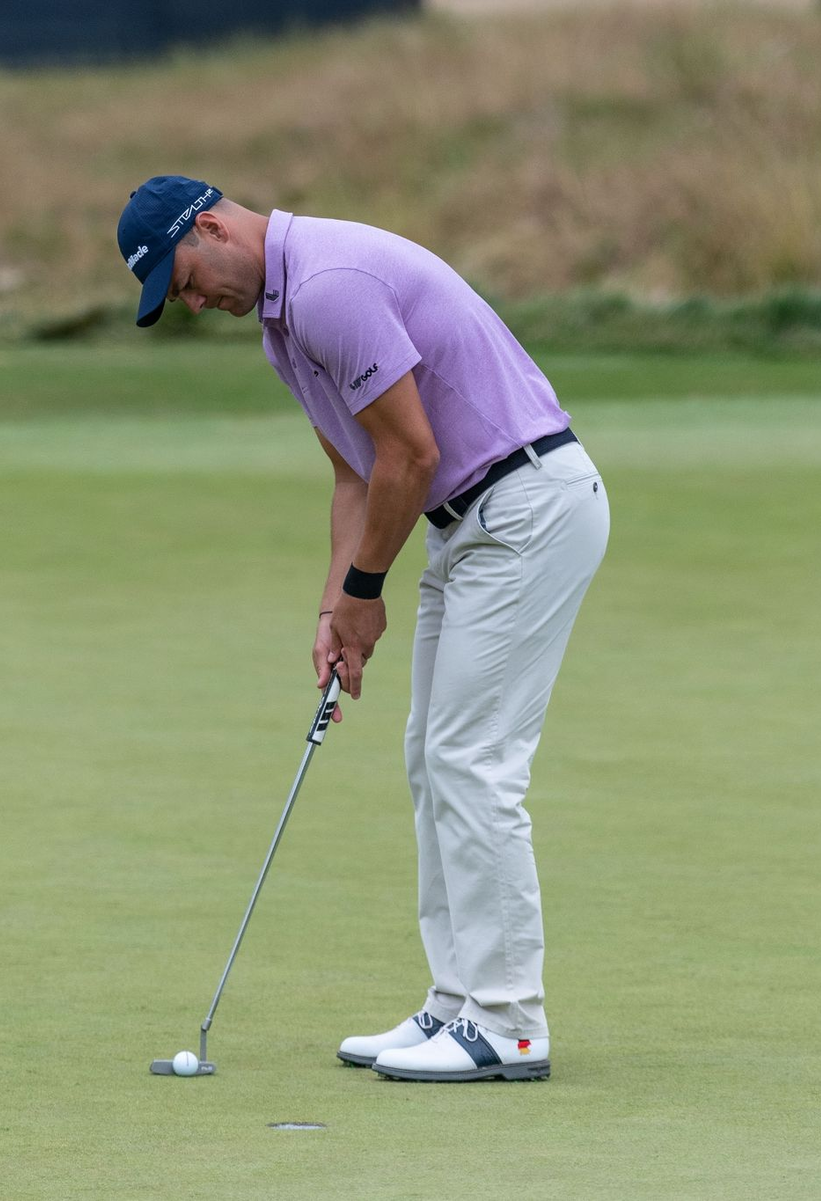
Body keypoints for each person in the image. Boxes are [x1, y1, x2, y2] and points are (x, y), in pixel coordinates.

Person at [117, 176, 609, 1082]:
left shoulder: (326, 287)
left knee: (472, 759)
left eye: (186, 280)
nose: (195, 304)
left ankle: (510, 1023)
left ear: (215, 228)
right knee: (432, 757)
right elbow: (356, 473)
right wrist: (334, 605)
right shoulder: (282, 324)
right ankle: (458, 1001)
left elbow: (411, 453)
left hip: (526, 506)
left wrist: (367, 590)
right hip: (471, 523)